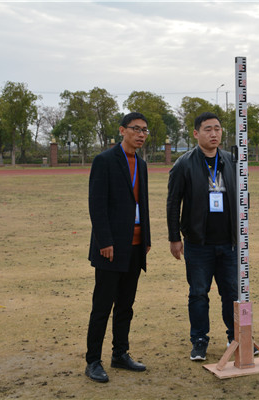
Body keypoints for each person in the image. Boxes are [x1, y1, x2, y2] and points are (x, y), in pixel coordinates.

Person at [166, 112, 239, 361]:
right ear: (196, 133)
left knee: (232, 293)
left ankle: (236, 337)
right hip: (198, 243)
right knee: (198, 293)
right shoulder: (184, 164)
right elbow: (173, 203)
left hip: (229, 243)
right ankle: (199, 340)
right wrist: (174, 237)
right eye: (208, 129)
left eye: (217, 129)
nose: (214, 134)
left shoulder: (232, 161)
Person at [85, 112, 151, 383]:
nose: (141, 134)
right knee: (102, 306)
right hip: (111, 247)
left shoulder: (142, 164)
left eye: (144, 130)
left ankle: (120, 354)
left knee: (126, 305)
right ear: (122, 131)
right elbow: (96, 204)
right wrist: (105, 241)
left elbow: (142, 203)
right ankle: (93, 361)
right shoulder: (105, 161)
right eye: (136, 129)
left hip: (135, 246)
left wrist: (146, 238)